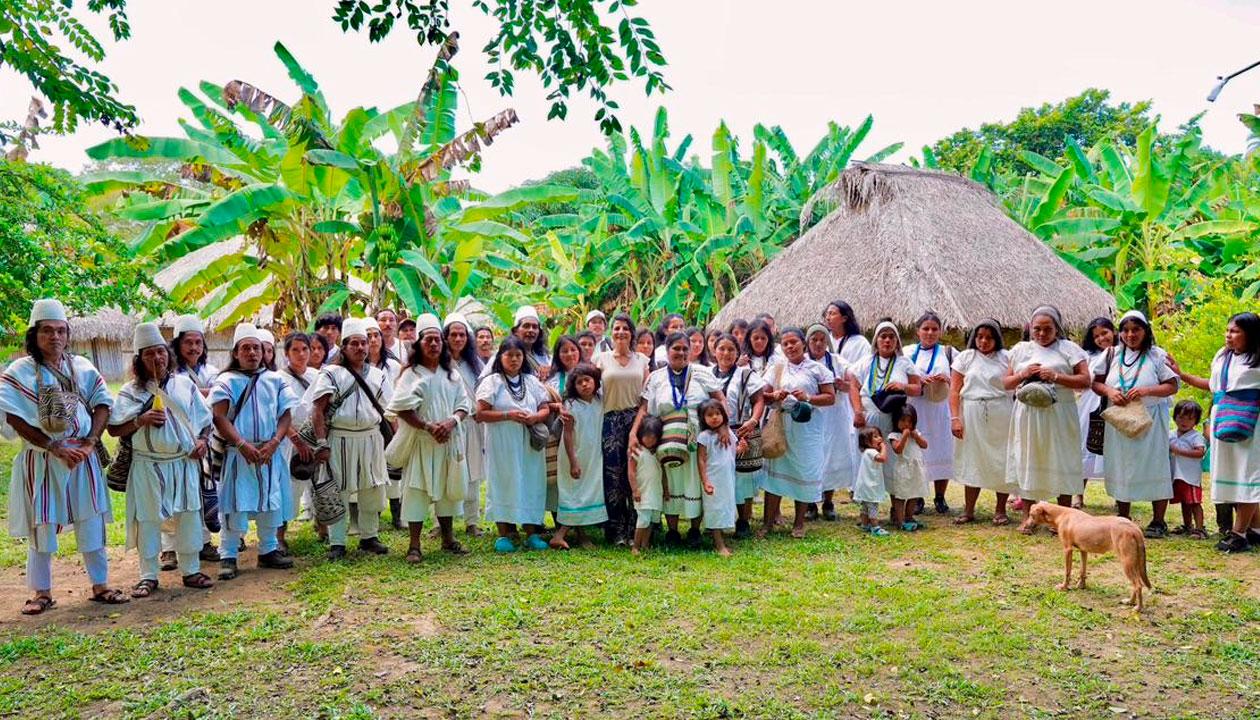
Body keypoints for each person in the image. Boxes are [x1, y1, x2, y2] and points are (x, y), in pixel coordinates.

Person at [1, 299, 126, 614]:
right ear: (35, 334)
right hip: (42, 460)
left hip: (83, 458)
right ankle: (41, 593)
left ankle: (101, 585)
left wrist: (89, 442)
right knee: (43, 522)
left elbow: (103, 405)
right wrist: (52, 446)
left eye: (60, 330)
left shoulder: (82, 367)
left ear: (67, 334)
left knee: (92, 519)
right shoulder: (20, 371)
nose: (54, 337)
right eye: (47, 331)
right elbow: (12, 417)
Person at [109, 323, 215, 596]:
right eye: (149, 354)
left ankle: (191, 570)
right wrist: (140, 419)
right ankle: (148, 575)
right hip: (147, 464)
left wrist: (202, 441)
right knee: (148, 519)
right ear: (139, 360)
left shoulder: (184, 384)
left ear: (168, 354)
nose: (157, 358)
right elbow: (114, 428)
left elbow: (205, 420)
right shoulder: (131, 392)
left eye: (161, 352)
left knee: (189, 516)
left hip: (183, 462)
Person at [209, 323, 297, 579]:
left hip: (269, 452)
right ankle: (228, 555)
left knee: (271, 501)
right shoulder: (226, 381)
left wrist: (275, 442)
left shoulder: (275, 380)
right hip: (239, 453)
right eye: (246, 348)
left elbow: (285, 414)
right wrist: (241, 444)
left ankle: (268, 550)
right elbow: (219, 417)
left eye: (256, 348)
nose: (252, 353)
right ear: (236, 353)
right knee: (234, 503)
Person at [1167, 312, 1260, 553]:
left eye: (1235, 331)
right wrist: (1181, 374)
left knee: (1248, 474)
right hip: (1223, 418)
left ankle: (1238, 533)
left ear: (1250, 334)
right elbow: (1213, 385)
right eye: (1227, 330)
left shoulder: (1257, 359)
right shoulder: (1223, 356)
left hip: (1251, 420)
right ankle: (1256, 528)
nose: (1228, 335)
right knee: (1231, 472)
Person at [629, 331, 727, 547]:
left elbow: (720, 400)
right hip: (667, 437)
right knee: (671, 482)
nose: (681, 352)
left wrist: (723, 427)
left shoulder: (701, 373)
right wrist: (632, 434)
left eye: (685, 348)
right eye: (676, 348)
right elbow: (645, 408)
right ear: (667, 350)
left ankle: (694, 529)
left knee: (694, 480)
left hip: (695, 437)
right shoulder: (656, 377)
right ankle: (672, 531)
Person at [387, 314, 472, 562]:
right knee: (417, 492)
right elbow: (401, 408)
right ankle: (414, 545)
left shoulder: (452, 375)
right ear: (420, 344)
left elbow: (464, 406)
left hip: (448, 441)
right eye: (428, 340)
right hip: (422, 443)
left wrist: (450, 422)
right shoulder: (410, 375)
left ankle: (448, 538)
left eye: (437, 340)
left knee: (447, 491)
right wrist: (427, 426)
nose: (434, 344)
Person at [308, 319, 393, 560]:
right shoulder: (331, 374)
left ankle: (369, 536)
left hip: (371, 437)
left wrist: (395, 439)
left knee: (372, 487)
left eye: (364, 343)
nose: (360, 348)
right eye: (354, 343)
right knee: (339, 490)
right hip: (340, 437)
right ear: (344, 347)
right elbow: (317, 410)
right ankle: (337, 542)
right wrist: (322, 443)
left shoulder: (378, 375)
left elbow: (391, 410)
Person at [1003, 306, 1091, 532]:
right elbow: (1005, 383)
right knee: (1029, 457)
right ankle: (1029, 517)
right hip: (1028, 412)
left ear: (1057, 328)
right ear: (1030, 329)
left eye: (1047, 329)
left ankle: (1062, 519)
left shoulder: (1069, 349)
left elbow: (1085, 381)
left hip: (1059, 411)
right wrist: (1024, 375)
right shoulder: (1021, 350)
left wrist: (1056, 376)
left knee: (1060, 457)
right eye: (1037, 329)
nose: (1041, 334)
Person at [1092, 310, 1178, 536]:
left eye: (1136, 330)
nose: (1130, 335)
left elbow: (1172, 385)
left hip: (1150, 420)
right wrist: (1110, 391)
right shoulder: (1111, 354)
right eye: (1125, 330)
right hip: (1119, 419)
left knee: (1155, 463)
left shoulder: (1157, 356)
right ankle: (1123, 516)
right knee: (1122, 465)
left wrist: (1146, 390)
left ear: (1145, 331)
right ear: (1120, 333)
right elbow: (1096, 383)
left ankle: (1158, 521)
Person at [475, 336, 553, 552]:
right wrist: (509, 415)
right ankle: (504, 534)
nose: (514, 359)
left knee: (531, 482)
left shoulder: (531, 382)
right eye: (509, 355)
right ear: (500, 357)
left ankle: (532, 533)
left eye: (518, 355)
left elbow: (545, 408)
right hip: (502, 444)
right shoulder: (492, 382)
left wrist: (535, 417)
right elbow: (480, 413)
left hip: (528, 444)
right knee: (504, 482)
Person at [759, 327, 836, 539]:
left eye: (794, 342)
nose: (790, 346)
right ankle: (767, 523)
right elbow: (762, 394)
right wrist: (775, 394)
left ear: (803, 343)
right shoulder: (777, 368)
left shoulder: (817, 369)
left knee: (805, 471)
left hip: (807, 429)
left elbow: (831, 397)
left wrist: (808, 397)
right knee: (775, 471)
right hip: (782, 427)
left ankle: (799, 522)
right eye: (785, 344)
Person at [948, 319, 1016, 525]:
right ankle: (969, 510)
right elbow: (954, 390)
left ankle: (1000, 509)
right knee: (972, 459)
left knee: (1001, 459)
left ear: (997, 339)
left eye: (989, 337)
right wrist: (955, 418)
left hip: (1001, 412)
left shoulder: (1007, 358)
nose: (984, 341)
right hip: (971, 412)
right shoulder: (965, 358)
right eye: (979, 337)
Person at [592, 314, 651, 545]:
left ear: (632, 333)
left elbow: (647, 397)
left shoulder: (642, 360)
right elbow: (590, 387)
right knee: (613, 475)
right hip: (610, 422)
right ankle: (616, 530)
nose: (620, 332)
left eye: (625, 328)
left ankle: (637, 527)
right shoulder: (601, 359)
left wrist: (637, 428)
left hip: (636, 420)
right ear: (611, 331)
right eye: (616, 328)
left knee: (637, 473)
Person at [167, 314, 221, 564]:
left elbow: (219, 399)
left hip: (204, 441)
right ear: (177, 345)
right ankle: (168, 547)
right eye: (188, 342)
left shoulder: (211, 371)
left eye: (198, 343)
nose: (194, 348)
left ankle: (204, 542)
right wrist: (203, 394)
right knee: (170, 494)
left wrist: (195, 394)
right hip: (172, 443)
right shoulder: (167, 372)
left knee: (203, 492)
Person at [851, 321, 921, 489]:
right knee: (868, 459)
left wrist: (903, 386)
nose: (887, 341)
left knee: (894, 460)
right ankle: (868, 506)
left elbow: (917, 389)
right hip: (868, 418)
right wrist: (858, 412)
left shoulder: (904, 362)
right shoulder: (865, 362)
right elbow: (853, 386)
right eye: (883, 337)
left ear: (897, 341)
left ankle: (895, 504)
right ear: (876, 340)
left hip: (894, 419)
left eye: (891, 337)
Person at [711, 332, 766, 538]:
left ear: (738, 353)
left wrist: (753, 421)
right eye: (721, 349)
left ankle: (743, 520)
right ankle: (719, 519)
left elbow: (759, 400)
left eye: (731, 349)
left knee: (743, 478)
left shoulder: (746, 374)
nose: (726, 353)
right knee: (720, 476)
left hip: (743, 429)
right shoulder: (707, 373)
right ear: (714, 351)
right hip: (716, 432)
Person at [905, 311, 955, 515]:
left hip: (939, 409)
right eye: (925, 328)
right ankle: (917, 497)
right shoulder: (908, 352)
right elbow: (900, 374)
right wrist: (918, 380)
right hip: (916, 407)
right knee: (917, 452)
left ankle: (940, 496)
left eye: (934, 329)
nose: (930, 332)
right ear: (917, 331)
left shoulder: (949, 352)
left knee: (941, 449)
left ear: (940, 331)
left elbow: (961, 378)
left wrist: (945, 378)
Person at [553, 363, 607, 549]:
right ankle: (560, 534)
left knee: (587, 494)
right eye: (579, 382)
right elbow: (567, 434)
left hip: (593, 455)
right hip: (574, 455)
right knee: (575, 493)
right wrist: (573, 461)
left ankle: (581, 536)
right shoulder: (571, 405)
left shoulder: (600, 400)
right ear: (573, 387)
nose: (584, 385)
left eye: (588, 380)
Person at [806, 324, 855, 521]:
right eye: (814, 339)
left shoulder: (838, 362)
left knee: (832, 457)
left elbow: (855, 384)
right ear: (807, 342)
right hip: (810, 417)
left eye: (822, 339)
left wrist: (843, 385)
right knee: (810, 458)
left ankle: (828, 501)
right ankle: (809, 503)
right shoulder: (801, 362)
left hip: (834, 418)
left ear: (827, 341)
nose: (818, 343)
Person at [444, 313, 486, 536]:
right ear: (446, 337)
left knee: (473, 472)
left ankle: (472, 522)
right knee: (444, 472)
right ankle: (440, 524)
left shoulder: (475, 364)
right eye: (453, 334)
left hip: (471, 424)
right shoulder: (439, 363)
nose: (458, 338)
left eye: (462, 335)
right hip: (447, 425)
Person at [279, 333, 320, 544]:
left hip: (314, 438)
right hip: (288, 440)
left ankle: (323, 528)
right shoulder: (279, 379)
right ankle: (280, 536)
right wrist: (296, 439)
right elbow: (278, 413)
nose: (301, 354)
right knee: (286, 488)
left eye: (305, 349)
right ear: (287, 353)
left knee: (320, 483)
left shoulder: (317, 375)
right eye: (295, 350)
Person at [366, 317, 404, 528]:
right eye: (368, 335)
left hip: (390, 422)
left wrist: (397, 425)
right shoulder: (356, 367)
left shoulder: (393, 366)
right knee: (373, 470)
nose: (373, 340)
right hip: (368, 425)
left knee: (394, 468)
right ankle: (374, 514)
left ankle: (398, 514)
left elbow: (399, 395)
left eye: (376, 335)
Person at [1076, 317, 1117, 508]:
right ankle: (1078, 494)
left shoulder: (1123, 354)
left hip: (1116, 404)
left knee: (1115, 448)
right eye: (1096, 336)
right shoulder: (1087, 357)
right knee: (1085, 445)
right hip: (1090, 405)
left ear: (1114, 332)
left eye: (1104, 333)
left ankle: (1120, 495)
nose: (1101, 339)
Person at [696, 399, 737, 556]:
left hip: (726, 479)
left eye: (718, 414)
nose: (714, 417)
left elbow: (733, 449)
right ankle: (719, 545)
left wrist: (741, 447)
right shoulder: (704, 436)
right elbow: (701, 459)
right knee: (714, 509)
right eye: (710, 415)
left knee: (724, 507)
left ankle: (722, 540)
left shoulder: (728, 433)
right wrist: (705, 481)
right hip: (713, 479)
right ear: (703, 418)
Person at [1168, 400, 1207, 539]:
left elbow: (1200, 452)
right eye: (1181, 417)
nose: (1184, 421)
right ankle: (1187, 526)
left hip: (1190, 477)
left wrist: (1179, 451)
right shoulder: (1171, 434)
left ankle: (1200, 528)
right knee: (1185, 502)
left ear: (1195, 421)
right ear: (1175, 417)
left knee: (1194, 502)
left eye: (1190, 418)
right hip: (1176, 475)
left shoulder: (1196, 436)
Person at [888, 405, 928, 531]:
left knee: (914, 493)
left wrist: (916, 436)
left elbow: (925, 445)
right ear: (896, 421)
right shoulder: (894, 436)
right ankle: (900, 521)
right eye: (903, 420)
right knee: (901, 495)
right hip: (903, 469)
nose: (906, 424)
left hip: (916, 468)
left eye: (910, 422)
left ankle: (909, 517)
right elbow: (898, 450)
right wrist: (904, 436)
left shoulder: (915, 434)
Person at [629, 416, 665, 555]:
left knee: (651, 520)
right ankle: (636, 546)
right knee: (643, 520)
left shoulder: (657, 454)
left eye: (653, 437)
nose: (650, 440)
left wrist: (666, 490)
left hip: (656, 492)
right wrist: (635, 490)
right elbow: (631, 472)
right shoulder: (637, 451)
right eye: (647, 436)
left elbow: (663, 475)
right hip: (643, 492)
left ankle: (645, 544)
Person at [853, 427, 890, 536]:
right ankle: (875, 527)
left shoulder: (866, 452)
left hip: (866, 486)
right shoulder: (871, 452)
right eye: (875, 436)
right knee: (873, 506)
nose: (880, 438)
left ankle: (865, 524)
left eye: (879, 435)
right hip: (870, 486)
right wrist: (884, 447)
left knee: (865, 507)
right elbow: (882, 459)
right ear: (866, 441)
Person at [823, 300, 872, 365]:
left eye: (832, 314)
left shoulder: (860, 343)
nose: (827, 318)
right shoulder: (823, 340)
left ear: (844, 318)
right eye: (827, 314)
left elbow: (867, 366)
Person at [511, 305, 551, 380]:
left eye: (535, 327)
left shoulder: (544, 356)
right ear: (516, 331)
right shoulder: (505, 355)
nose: (531, 330)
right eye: (526, 326)